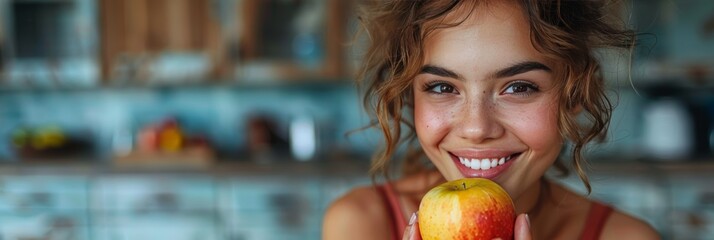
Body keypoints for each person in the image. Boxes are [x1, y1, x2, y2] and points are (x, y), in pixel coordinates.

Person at [323, 0, 660, 239]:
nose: (476, 129)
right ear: (410, 94)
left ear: (575, 95)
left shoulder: (627, 236)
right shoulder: (362, 224)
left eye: (519, 87)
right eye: (442, 87)